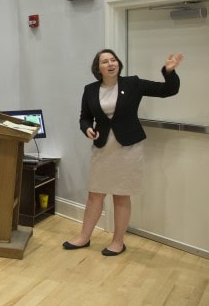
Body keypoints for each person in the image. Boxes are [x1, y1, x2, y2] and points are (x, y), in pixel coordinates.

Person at [63, 50, 183, 256]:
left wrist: (169, 72)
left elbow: (167, 90)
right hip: (102, 148)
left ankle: (118, 242)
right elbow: (84, 117)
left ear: (118, 64)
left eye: (113, 60)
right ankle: (84, 237)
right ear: (98, 68)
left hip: (128, 148)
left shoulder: (133, 83)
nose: (111, 63)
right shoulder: (90, 89)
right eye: (105, 61)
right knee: (95, 194)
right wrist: (87, 129)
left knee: (120, 195)